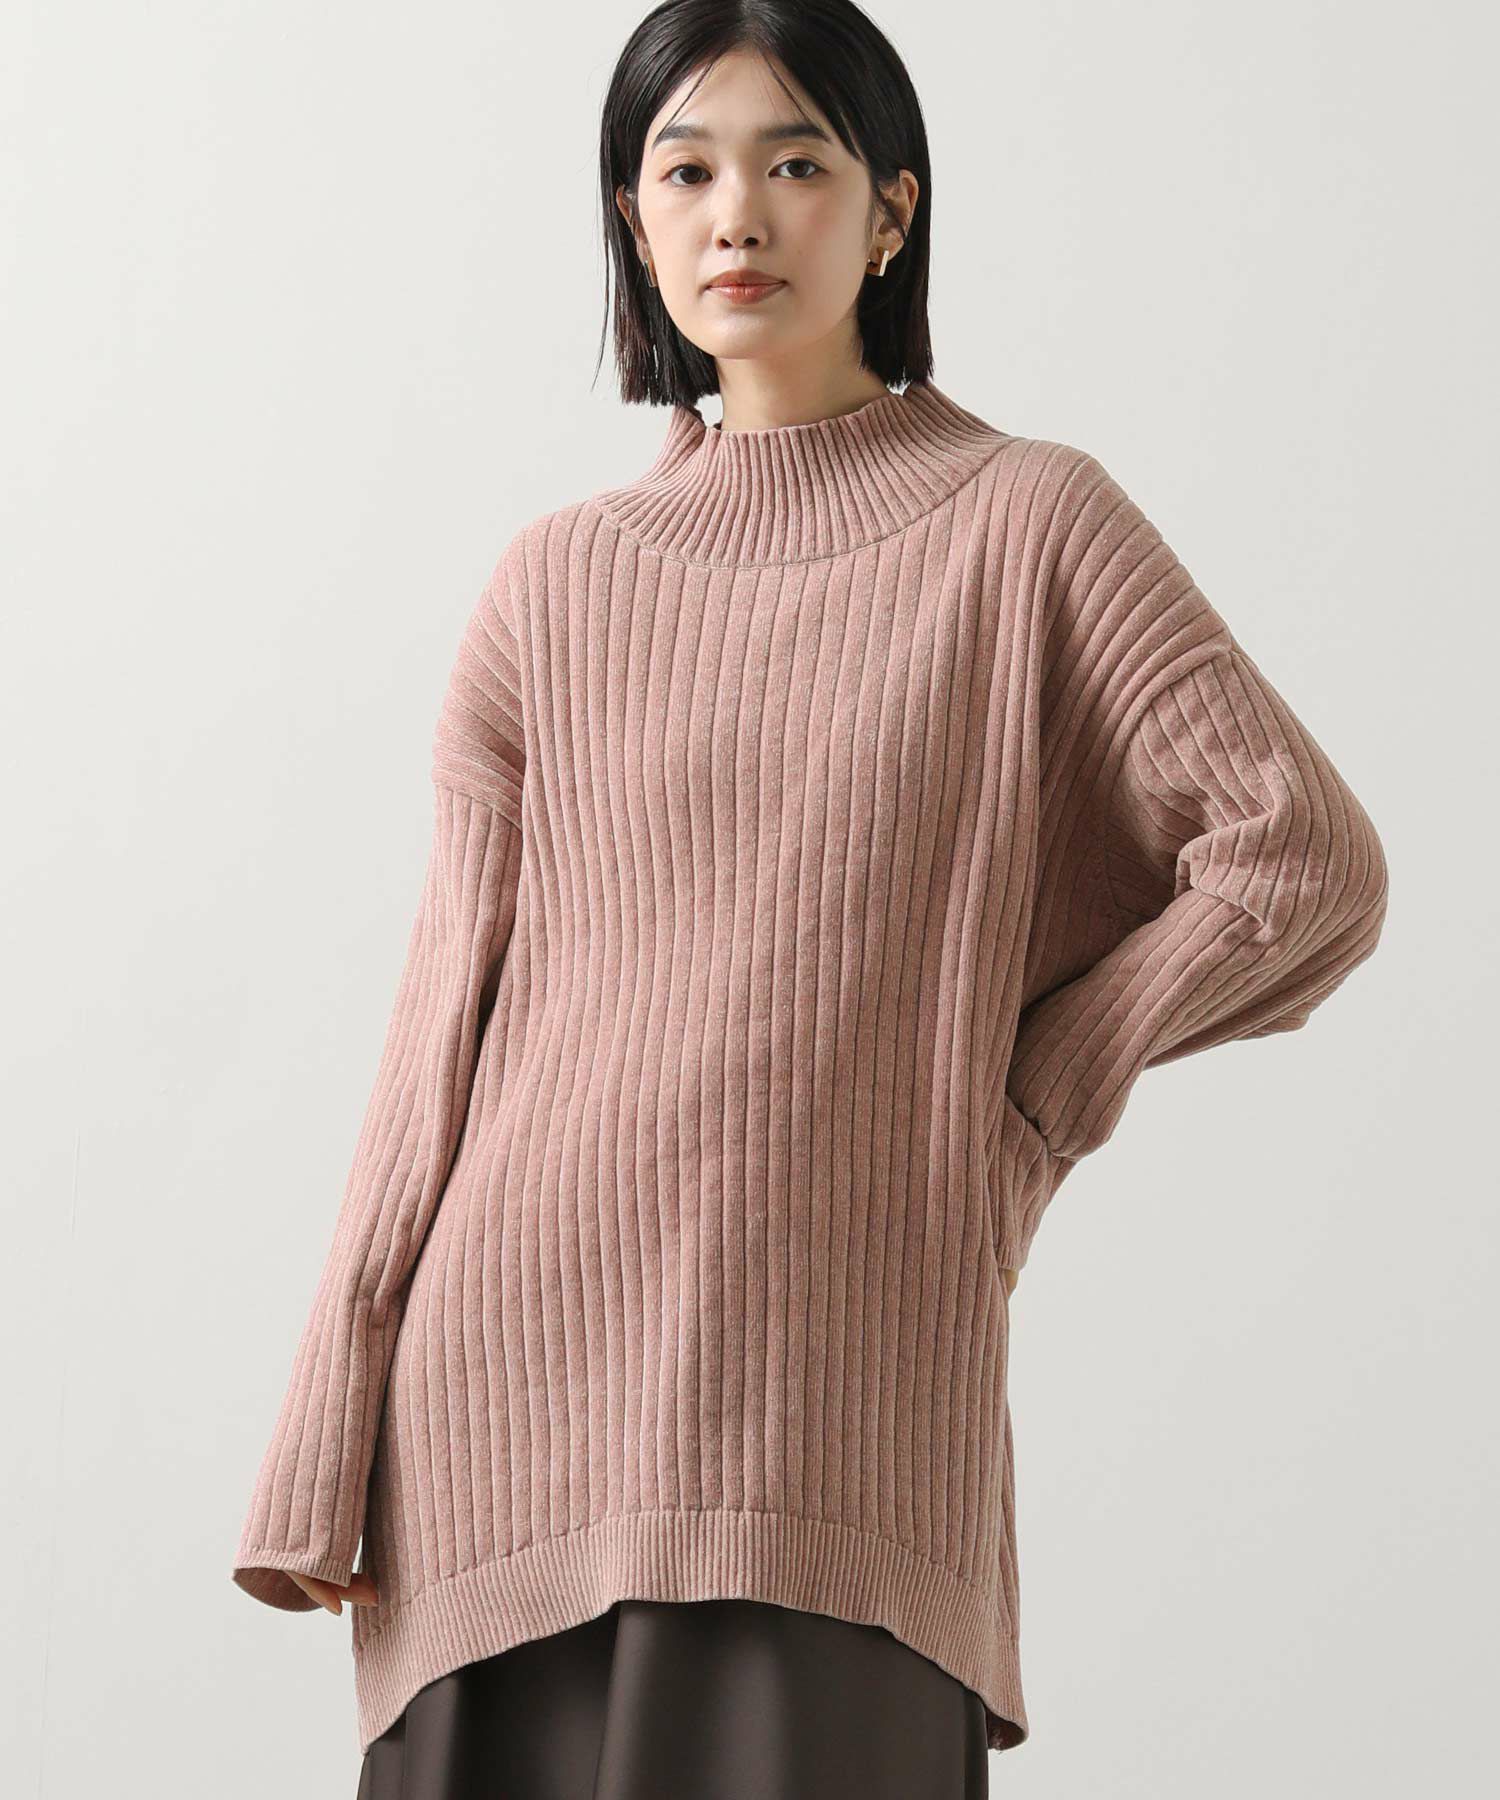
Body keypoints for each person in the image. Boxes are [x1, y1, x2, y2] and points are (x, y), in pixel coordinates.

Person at [229, 3, 1391, 1795]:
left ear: (891, 210)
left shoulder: (1029, 524)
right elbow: (437, 1036)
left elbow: (1301, 860)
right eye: (684, 172)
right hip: (503, 1414)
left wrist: (1035, 1083)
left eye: (796, 163)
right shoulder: (554, 585)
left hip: (827, 1396)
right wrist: (324, 1433)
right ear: (633, 224)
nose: (737, 217)